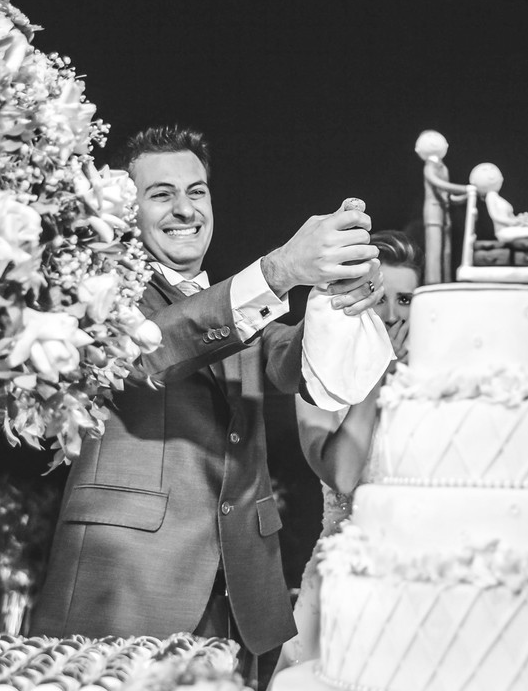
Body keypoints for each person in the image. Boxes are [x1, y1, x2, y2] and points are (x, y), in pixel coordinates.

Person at [30, 126, 384, 690]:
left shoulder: (237, 305)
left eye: (196, 191)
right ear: (128, 208)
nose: (184, 208)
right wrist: (281, 271)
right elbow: (154, 348)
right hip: (127, 588)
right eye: (161, 193)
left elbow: (302, 369)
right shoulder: (95, 292)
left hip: (241, 598)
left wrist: (334, 296)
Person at [274, 231, 421, 672]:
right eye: (379, 298)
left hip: (425, 581)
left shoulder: (438, 384)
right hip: (347, 585)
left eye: (407, 300)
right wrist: (379, 372)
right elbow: (342, 475)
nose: (393, 315)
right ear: (354, 298)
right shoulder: (319, 381)